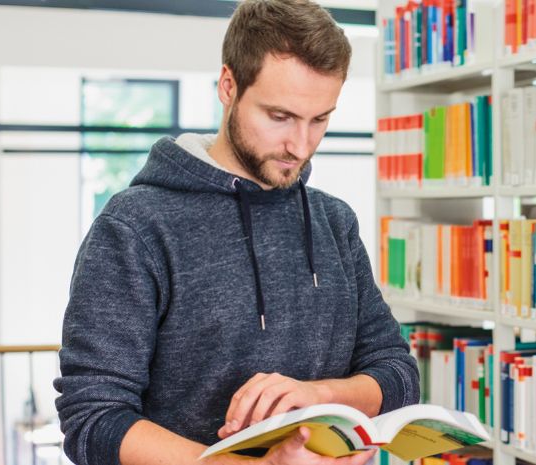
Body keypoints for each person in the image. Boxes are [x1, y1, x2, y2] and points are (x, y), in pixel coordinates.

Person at [53, 1, 420, 464]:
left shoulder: (334, 222)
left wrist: (318, 394)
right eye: (280, 117)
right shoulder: (135, 227)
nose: (300, 145)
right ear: (229, 86)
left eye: (320, 119)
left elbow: (398, 373)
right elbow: (93, 420)